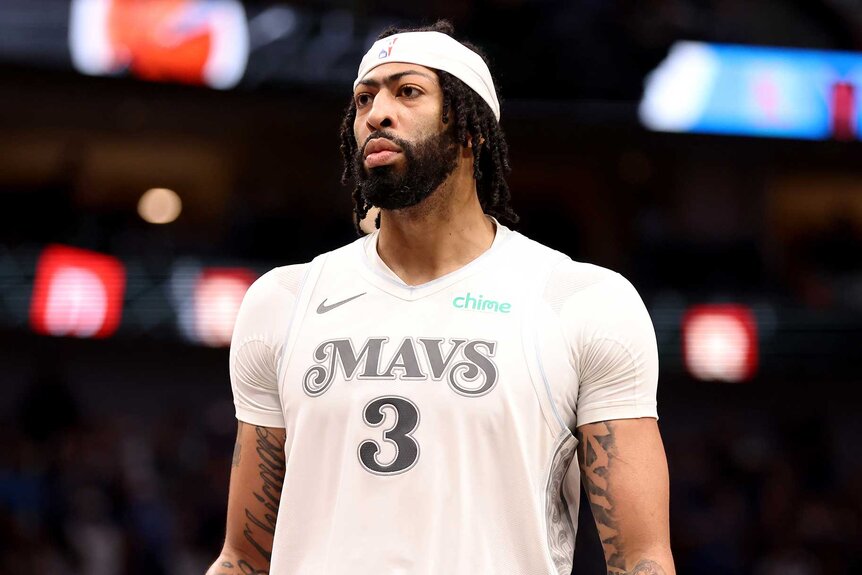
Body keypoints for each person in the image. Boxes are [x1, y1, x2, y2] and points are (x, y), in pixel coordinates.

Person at [208, 20, 674, 575]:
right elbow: (240, 557)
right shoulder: (282, 301)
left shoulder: (581, 302)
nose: (377, 113)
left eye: (408, 92)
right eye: (364, 98)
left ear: (471, 129)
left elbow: (641, 556)